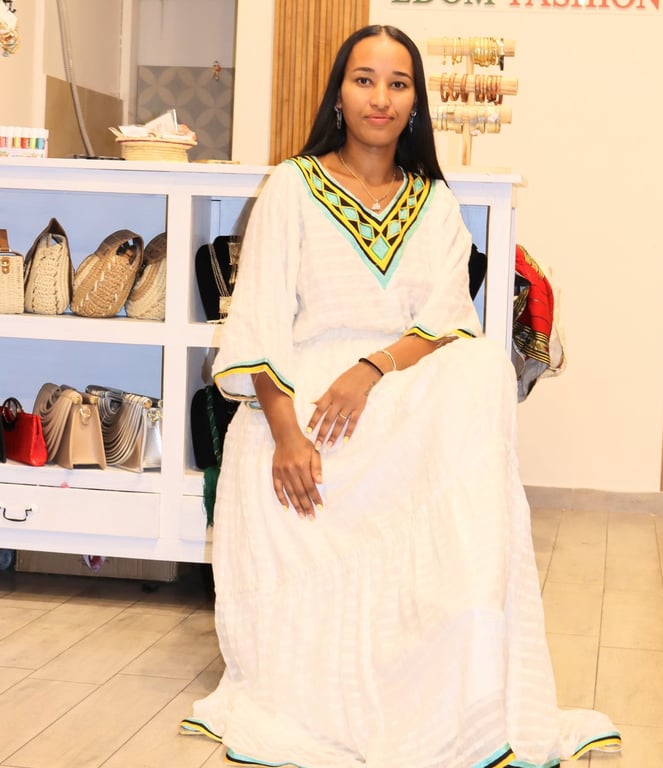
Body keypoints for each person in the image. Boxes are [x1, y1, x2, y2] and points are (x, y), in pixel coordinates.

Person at [181, 24, 621, 768]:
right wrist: (286, 436)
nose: (380, 97)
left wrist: (372, 368)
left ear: (415, 102)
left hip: (396, 386)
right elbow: (257, 325)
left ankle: (473, 690)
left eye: (398, 83)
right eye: (364, 80)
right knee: (466, 375)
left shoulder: (434, 201)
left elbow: (446, 321)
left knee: (481, 365)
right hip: (307, 398)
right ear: (339, 94)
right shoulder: (292, 185)